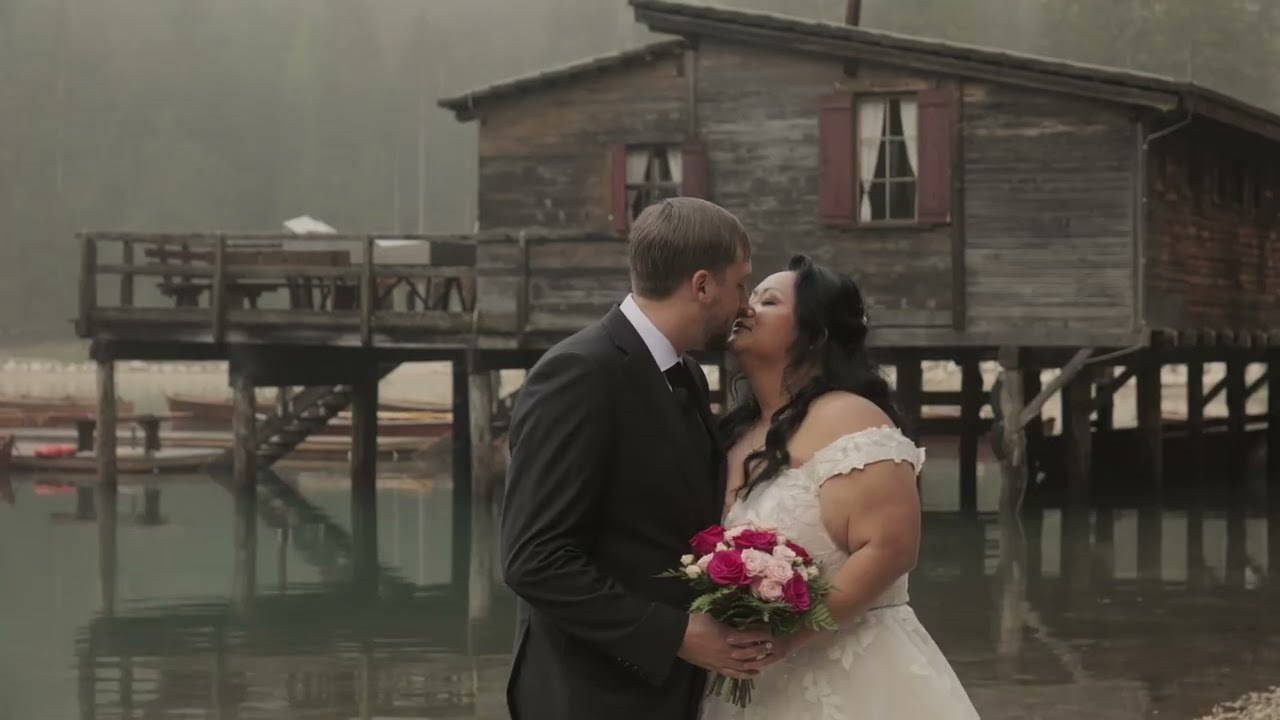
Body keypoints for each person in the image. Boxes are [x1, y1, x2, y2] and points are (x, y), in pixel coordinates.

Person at [500, 197, 778, 720]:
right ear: (701, 286)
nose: (745, 304)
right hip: (588, 693)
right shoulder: (579, 374)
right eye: (741, 284)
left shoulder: (689, 375)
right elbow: (533, 560)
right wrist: (675, 635)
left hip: (665, 692)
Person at [702, 254, 981, 719]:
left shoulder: (849, 416)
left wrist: (790, 636)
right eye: (749, 297)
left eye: (767, 300)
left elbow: (890, 548)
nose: (746, 308)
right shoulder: (736, 433)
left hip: (851, 676)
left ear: (816, 335)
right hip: (748, 681)